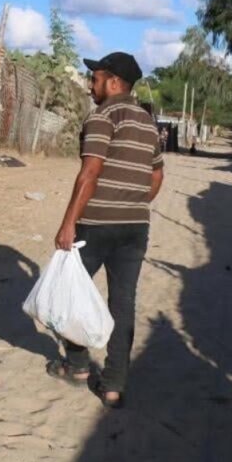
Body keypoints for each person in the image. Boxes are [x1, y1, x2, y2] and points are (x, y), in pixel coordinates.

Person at [49, 51, 163, 409]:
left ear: (114, 83)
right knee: (123, 303)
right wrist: (132, 202)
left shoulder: (103, 115)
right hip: (135, 227)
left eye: (95, 78)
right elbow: (157, 175)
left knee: (70, 294)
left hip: (96, 224)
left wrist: (69, 222)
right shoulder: (148, 122)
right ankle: (113, 385)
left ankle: (79, 365)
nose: (90, 84)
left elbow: (90, 172)